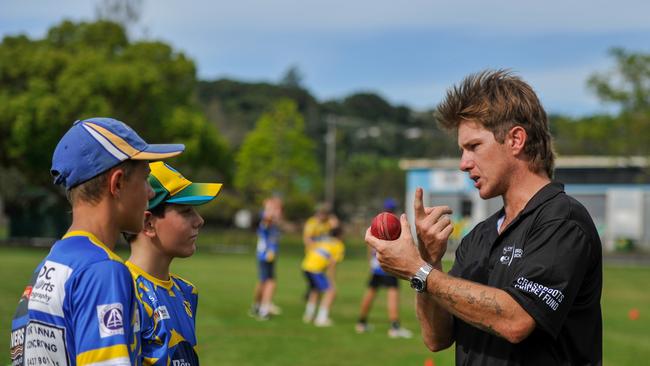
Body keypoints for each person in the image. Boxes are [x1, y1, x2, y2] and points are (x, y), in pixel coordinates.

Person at [366, 70, 602, 365]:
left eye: (474, 146)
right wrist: (429, 261)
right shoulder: (479, 236)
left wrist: (419, 271)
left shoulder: (562, 221)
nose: (464, 164)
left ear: (515, 139)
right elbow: (436, 338)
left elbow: (516, 321)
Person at [10, 117, 184, 365]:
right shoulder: (103, 270)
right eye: (145, 178)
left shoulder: (51, 264)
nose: (151, 192)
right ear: (118, 183)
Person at [124, 161, 222, 365]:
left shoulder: (187, 291)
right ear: (148, 224)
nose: (199, 220)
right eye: (186, 211)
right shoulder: (123, 292)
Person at [355, 198, 412, 339]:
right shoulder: (394, 223)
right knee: (393, 293)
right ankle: (394, 327)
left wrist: (371, 261)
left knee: (370, 292)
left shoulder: (377, 222)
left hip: (376, 264)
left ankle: (361, 323)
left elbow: (369, 244)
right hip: (389, 263)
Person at [301, 225, 345, 327]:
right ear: (340, 235)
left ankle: (308, 316)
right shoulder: (338, 245)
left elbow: (311, 249)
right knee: (331, 292)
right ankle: (321, 319)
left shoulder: (323, 240)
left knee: (315, 290)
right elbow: (332, 264)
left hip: (306, 265)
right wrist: (331, 281)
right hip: (315, 269)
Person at [250, 197, 283, 320]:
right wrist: (270, 206)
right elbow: (268, 217)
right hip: (266, 255)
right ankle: (264, 310)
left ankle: (256, 306)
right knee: (270, 282)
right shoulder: (267, 221)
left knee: (263, 281)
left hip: (267, 255)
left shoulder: (273, 224)